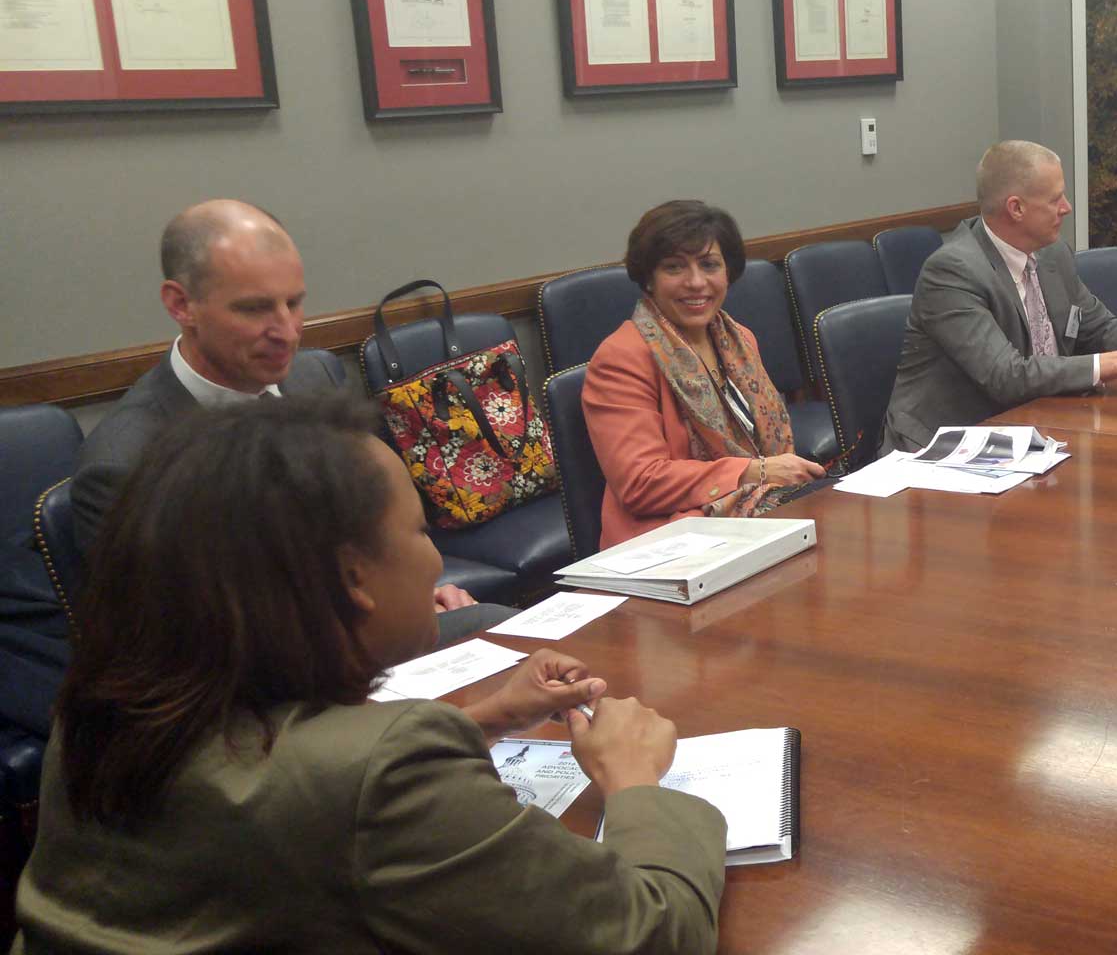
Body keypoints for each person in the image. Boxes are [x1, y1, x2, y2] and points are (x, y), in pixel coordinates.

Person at [13, 396, 725, 953]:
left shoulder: (98, 711)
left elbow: (286, 798)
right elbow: (650, 936)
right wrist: (634, 782)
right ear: (353, 577)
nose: (435, 564)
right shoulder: (385, 771)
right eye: (419, 532)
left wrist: (490, 717)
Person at [70, 199, 506, 638]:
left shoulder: (311, 378)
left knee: (508, 633)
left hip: (359, 632)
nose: (287, 331)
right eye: (255, 309)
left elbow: (363, 526)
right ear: (181, 305)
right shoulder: (125, 463)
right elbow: (175, 648)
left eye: (294, 303)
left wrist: (406, 593)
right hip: (269, 685)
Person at [880, 140, 1117, 452]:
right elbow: (1006, 376)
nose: (1067, 208)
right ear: (1016, 208)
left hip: (1033, 428)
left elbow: (1098, 328)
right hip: (948, 447)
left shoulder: (1052, 254)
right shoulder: (953, 271)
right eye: (1056, 199)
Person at [583, 200, 824, 549]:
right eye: (674, 267)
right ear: (648, 279)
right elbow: (640, 483)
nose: (696, 282)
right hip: (667, 539)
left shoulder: (740, 339)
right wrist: (754, 471)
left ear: (729, 272)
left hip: (752, 513)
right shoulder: (621, 358)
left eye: (709, 265)